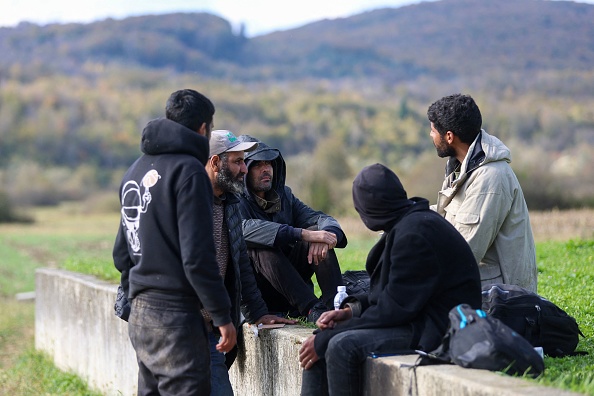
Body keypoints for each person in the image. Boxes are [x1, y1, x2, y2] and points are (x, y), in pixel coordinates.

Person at [299, 163, 481, 396]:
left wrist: (329, 338)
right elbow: (394, 293)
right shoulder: (408, 223)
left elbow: (393, 310)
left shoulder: (414, 235)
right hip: (419, 318)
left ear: (369, 210)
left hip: (440, 329)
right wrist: (350, 311)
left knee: (339, 346)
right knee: (321, 340)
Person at [112, 89, 236, 395]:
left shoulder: (135, 170)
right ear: (204, 128)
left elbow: (121, 252)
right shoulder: (190, 172)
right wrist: (222, 316)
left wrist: (136, 290)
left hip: (140, 313)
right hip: (176, 318)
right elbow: (197, 258)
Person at [203, 130, 296, 395]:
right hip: (179, 325)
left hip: (211, 328)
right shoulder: (189, 202)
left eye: (245, 161)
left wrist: (257, 313)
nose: (245, 169)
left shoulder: (229, 202)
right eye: (237, 162)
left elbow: (240, 264)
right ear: (215, 163)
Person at [427, 93, 537, 292]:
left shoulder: (490, 178)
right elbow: (446, 217)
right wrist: (404, 218)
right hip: (478, 281)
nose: (430, 135)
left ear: (449, 137)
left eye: (433, 130)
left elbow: (463, 251)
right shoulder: (463, 166)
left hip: (498, 297)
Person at [236, 135, 347, 323]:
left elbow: (320, 218)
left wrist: (329, 235)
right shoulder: (235, 199)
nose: (265, 170)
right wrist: (301, 233)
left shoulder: (285, 195)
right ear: (245, 170)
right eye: (257, 165)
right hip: (259, 295)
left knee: (318, 236)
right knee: (261, 245)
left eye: (269, 164)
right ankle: (313, 310)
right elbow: (243, 229)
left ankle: (337, 307)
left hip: (292, 285)